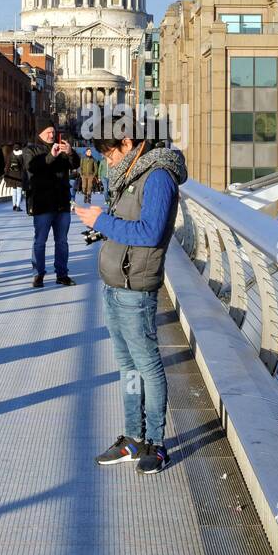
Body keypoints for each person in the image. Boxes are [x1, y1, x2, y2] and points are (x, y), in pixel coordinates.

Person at [76, 107, 187, 475]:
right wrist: (103, 225)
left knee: (148, 366)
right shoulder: (129, 173)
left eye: (110, 152)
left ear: (129, 142)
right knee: (128, 367)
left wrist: (101, 220)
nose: (107, 160)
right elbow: (126, 224)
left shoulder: (158, 177)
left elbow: (151, 233)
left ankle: (156, 443)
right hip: (114, 284)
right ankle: (132, 437)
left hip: (136, 287)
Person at [24, 118, 80, 287]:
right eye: (48, 132)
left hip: (62, 202)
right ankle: (38, 274)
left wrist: (70, 152)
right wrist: (51, 156)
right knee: (40, 241)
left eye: (53, 132)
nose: (51, 135)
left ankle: (62, 274)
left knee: (62, 241)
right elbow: (33, 167)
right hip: (42, 203)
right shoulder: (31, 150)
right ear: (40, 133)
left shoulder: (62, 147)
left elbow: (75, 164)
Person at [3, 141, 28, 211]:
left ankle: (14, 205)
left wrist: (6, 175)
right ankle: (18, 206)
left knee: (14, 191)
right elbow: (25, 166)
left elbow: (7, 166)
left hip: (12, 176)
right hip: (20, 176)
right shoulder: (23, 155)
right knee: (19, 192)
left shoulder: (11, 154)